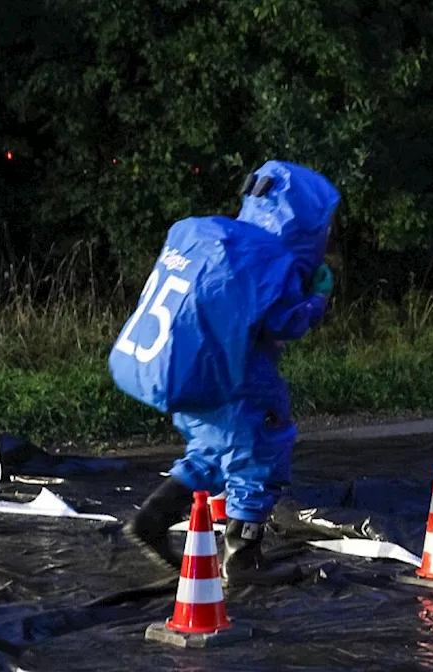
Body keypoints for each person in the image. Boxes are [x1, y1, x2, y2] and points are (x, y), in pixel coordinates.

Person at [111, 161, 338, 585]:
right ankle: (242, 559)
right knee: (261, 449)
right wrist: (318, 298)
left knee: (212, 451)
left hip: (191, 371)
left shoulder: (209, 236)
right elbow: (284, 323)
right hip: (236, 379)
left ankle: (152, 519)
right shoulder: (268, 259)